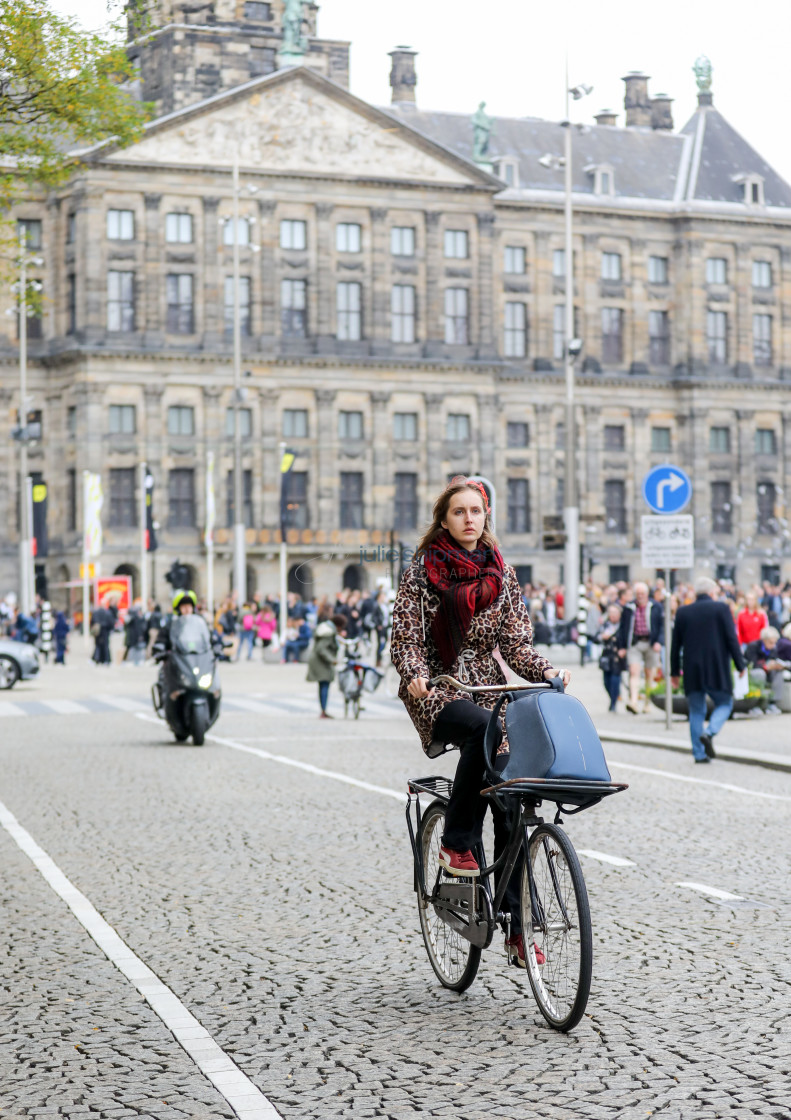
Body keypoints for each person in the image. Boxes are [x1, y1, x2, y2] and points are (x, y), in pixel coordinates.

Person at [391, 476, 569, 969]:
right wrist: (415, 675)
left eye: (476, 510)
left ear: (486, 516)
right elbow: (404, 638)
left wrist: (547, 671)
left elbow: (515, 645)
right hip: (439, 687)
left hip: (487, 686)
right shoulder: (423, 571)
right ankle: (456, 843)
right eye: (459, 512)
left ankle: (517, 925)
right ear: (443, 521)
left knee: (510, 799)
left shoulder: (502, 573)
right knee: (480, 730)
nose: (469, 519)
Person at [670, 576, 747, 763]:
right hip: (716, 667)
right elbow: (731, 638)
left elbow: (675, 645)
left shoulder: (683, 612)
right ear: (712, 592)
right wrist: (740, 664)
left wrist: (674, 672)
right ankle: (710, 732)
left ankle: (699, 754)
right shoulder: (721, 608)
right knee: (725, 703)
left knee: (696, 711)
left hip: (692, 668)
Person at [617, 582, 663, 714]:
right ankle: (634, 701)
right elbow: (623, 628)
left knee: (649, 674)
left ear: (647, 594)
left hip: (651, 642)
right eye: (638, 594)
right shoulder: (629, 607)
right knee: (634, 671)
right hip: (635, 643)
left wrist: (659, 642)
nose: (640, 596)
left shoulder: (656, 606)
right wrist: (622, 646)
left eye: (642, 594)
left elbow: (661, 626)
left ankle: (647, 702)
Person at [306, 609, 347, 718]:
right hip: (321, 661)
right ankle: (323, 711)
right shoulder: (328, 632)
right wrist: (332, 660)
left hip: (318, 660)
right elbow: (321, 649)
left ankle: (323, 710)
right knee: (325, 684)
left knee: (322, 685)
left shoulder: (325, 627)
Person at [743, 626, 791, 713]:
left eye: (774, 643)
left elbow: (774, 660)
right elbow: (751, 664)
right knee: (760, 673)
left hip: (768, 672)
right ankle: (756, 704)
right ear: (764, 640)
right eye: (770, 643)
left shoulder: (773, 649)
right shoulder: (753, 646)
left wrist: (776, 665)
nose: (773, 645)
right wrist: (765, 667)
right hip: (753, 673)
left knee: (778, 673)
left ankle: (772, 703)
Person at [596, 603, 625, 712]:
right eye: (610, 613)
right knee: (606, 681)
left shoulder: (623, 626)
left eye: (614, 613)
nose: (612, 616)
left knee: (615, 679)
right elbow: (595, 637)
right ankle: (612, 698)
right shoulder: (605, 625)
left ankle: (613, 703)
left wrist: (624, 649)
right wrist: (602, 637)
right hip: (606, 655)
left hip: (617, 656)